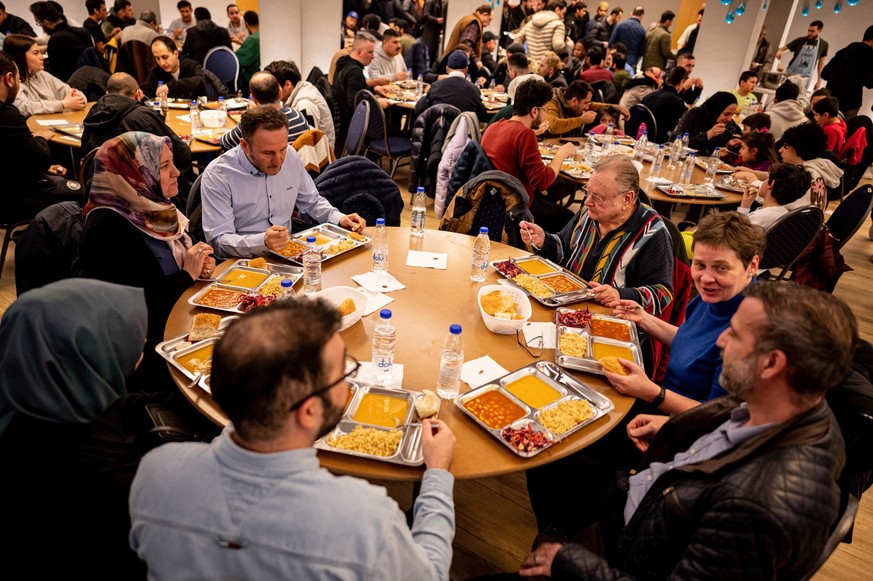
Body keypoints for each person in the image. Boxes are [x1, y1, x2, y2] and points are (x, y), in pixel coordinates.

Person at [523, 281, 853, 580]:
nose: (721, 341)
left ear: (771, 363)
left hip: (629, 547)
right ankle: (562, 530)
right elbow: (726, 426)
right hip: (650, 501)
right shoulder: (794, 408)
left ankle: (561, 540)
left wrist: (569, 562)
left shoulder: (754, 509)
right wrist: (675, 426)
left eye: (734, 334)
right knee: (550, 456)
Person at [129, 299, 458, 578]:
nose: (348, 382)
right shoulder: (366, 521)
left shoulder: (154, 472)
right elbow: (432, 574)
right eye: (343, 371)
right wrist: (438, 474)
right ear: (309, 412)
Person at [0, 279, 149, 578]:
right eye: (131, 336)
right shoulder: (105, 471)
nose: (143, 342)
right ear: (91, 353)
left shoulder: (30, 395)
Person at [79, 132, 215, 390]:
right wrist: (186, 276)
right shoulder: (106, 230)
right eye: (164, 166)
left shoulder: (154, 207)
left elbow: (180, 259)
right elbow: (133, 307)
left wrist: (199, 263)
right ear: (133, 175)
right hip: (147, 354)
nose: (177, 172)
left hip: (181, 324)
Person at [201, 106, 366, 258]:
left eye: (282, 149)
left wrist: (339, 218)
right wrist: (262, 242)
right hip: (244, 260)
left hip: (289, 252)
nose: (278, 160)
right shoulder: (218, 175)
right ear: (245, 146)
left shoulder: (291, 155)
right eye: (268, 153)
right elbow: (218, 241)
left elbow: (312, 202)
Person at [520, 154, 673, 314]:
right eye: (587, 191)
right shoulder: (590, 212)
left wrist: (619, 294)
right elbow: (562, 248)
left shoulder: (652, 232)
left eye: (598, 197)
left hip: (612, 319)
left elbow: (662, 294)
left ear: (627, 198)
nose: (587, 202)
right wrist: (544, 240)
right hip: (568, 305)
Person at [0, 51, 79, 223]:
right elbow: (43, 158)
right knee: (84, 193)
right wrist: (40, 138)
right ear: (9, 79)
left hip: (10, 186)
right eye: (18, 79)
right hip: (14, 201)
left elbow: (10, 154)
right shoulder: (7, 115)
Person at [482, 79, 576, 204]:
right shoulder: (525, 135)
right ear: (535, 111)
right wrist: (561, 154)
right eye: (546, 109)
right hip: (514, 205)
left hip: (490, 197)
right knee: (567, 215)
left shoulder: (495, 126)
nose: (546, 114)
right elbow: (542, 182)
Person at [82, 72, 192, 173]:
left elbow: (85, 154)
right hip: (139, 189)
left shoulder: (93, 113)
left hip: (98, 187)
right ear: (138, 94)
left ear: (107, 93)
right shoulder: (143, 116)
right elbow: (182, 156)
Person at [736, 122, 842, 211]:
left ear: (799, 148)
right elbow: (774, 177)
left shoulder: (806, 175)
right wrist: (751, 172)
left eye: (786, 146)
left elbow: (772, 195)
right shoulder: (815, 168)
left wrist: (751, 178)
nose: (780, 150)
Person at [220, 72, 310, 151]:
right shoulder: (299, 117)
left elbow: (224, 142)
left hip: (265, 169)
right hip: (296, 168)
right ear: (280, 92)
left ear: (253, 99)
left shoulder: (251, 123)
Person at [3, 33, 85, 117]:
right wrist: (62, 105)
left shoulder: (42, 74)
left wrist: (79, 99)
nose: (42, 57)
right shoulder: (13, 82)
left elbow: (69, 91)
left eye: (40, 52)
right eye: (36, 53)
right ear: (20, 56)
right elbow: (24, 108)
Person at [265, 59, 336, 150]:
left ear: (288, 84)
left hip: (319, 158)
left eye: (274, 86)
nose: (272, 90)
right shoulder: (303, 87)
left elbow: (307, 142)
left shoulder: (304, 104)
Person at [333, 31, 390, 143]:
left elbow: (353, 88)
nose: (373, 56)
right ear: (359, 52)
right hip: (355, 128)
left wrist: (375, 88)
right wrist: (378, 103)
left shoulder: (343, 63)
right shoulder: (355, 72)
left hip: (343, 128)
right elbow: (354, 103)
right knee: (400, 131)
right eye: (370, 52)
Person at [29, 1, 92, 82]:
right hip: (91, 80)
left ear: (46, 23)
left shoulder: (56, 39)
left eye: (39, 24)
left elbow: (55, 74)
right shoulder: (83, 31)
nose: (41, 27)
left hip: (71, 85)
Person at [820, 24, 873, 120]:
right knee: (843, 132)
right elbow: (870, 83)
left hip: (830, 100)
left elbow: (825, 74)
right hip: (851, 103)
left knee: (824, 129)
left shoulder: (843, 51)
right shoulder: (870, 57)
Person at [414, 50, 487, 119]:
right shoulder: (474, 90)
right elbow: (483, 115)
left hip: (438, 131)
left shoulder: (436, 87)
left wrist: (426, 93)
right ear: (466, 70)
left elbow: (418, 109)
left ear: (447, 69)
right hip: (463, 132)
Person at [738, 163, 811, 229]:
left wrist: (743, 207)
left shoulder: (757, 218)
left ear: (771, 184)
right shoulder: (786, 215)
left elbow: (734, 236)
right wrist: (746, 204)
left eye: (766, 179)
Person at [143, 36, 214, 100]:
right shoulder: (156, 72)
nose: (162, 63)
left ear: (176, 54)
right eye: (157, 58)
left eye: (165, 57)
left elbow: (200, 80)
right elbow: (147, 93)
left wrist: (170, 86)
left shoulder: (191, 66)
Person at [672, 91, 740, 156]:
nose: (729, 119)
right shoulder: (693, 114)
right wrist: (708, 135)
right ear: (716, 110)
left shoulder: (728, 124)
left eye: (732, 114)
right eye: (726, 114)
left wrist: (728, 144)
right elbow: (679, 143)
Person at [641, 66, 688, 144]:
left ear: (666, 80)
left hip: (640, 138)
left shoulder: (648, 96)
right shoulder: (678, 103)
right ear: (681, 82)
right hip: (660, 143)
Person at [776, 20, 828, 89]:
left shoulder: (823, 44)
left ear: (819, 30)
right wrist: (779, 51)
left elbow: (821, 65)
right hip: (791, 74)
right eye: (808, 30)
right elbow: (782, 49)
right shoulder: (800, 40)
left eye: (812, 31)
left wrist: (819, 81)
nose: (809, 33)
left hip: (805, 78)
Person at [235, 10, 260, 89]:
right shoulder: (263, 35)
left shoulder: (252, 39)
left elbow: (238, 59)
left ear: (245, 24)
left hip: (252, 79)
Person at [421, 0, 446, 64]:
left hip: (436, 33)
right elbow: (426, 15)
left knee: (434, 54)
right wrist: (436, 20)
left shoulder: (442, 2)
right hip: (430, 32)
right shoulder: (430, 1)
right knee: (429, 53)